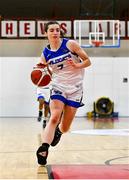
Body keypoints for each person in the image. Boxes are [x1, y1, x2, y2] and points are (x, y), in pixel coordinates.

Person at [36, 21, 91, 165]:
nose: (55, 32)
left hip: (75, 88)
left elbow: (88, 61)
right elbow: (43, 73)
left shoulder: (70, 45)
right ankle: (44, 148)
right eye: (52, 30)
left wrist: (77, 65)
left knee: (65, 127)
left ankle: (59, 132)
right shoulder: (45, 54)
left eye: (57, 30)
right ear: (46, 33)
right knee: (54, 117)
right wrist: (41, 71)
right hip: (58, 85)